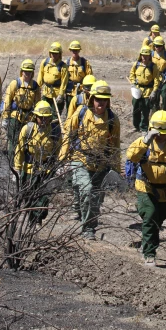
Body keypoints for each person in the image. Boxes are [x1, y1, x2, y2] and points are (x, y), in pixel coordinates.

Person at [126, 110, 166, 266]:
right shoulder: (143, 142)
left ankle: (147, 240)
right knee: (150, 214)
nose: (161, 135)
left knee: (160, 217)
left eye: (164, 132)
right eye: (158, 132)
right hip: (145, 187)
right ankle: (149, 253)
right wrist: (145, 142)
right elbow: (131, 156)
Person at [60, 81, 121, 240]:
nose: (100, 102)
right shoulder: (80, 113)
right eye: (97, 99)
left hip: (101, 164)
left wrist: (116, 170)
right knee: (86, 190)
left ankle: (87, 216)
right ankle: (88, 230)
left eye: (104, 99)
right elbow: (68, 135)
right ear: (92, 98)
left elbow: (115, 146)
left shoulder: (113, 120)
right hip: (80, 159)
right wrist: (62, 160)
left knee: (96, 198)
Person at [13, 100, 59, 226]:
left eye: (46, 118)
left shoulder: (54, 132)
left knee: (43, 198)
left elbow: (58, 152)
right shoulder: (27, 130)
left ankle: (38, 216)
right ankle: (32, 221)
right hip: (28, 170)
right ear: (36, 117)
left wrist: (58, 167)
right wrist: (17, 168)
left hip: (45, 171)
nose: (43, 121)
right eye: (41, 118)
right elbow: (20, 150)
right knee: (28, 197)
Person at [1, 59, 41, 163]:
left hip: (29, 118)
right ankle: (11, 164)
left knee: (26, 143)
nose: (27, 74)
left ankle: (22, 164)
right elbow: (7, 101)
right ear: (22, 71)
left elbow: (38, 105)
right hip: (15, 116)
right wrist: (5, 117)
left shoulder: (35, 86)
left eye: (29, 71)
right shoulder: (15, 83)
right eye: (25, 71)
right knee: (13, 141)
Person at [37, 42, 68, 139]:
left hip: (56, 96)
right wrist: (37, 89)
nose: (54, 55)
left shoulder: (63, 66)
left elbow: (64, 82)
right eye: (52, 53)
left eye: (56, 53)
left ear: (60, 54)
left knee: (54, 119)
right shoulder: (45, 62)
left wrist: (61, 95)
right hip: (46, 94)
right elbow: (40, 77)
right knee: (42, 115)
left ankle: (54, 138)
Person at [129, 48, 160, 132]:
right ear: (140, 55)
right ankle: (136, 126)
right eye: (143, 55)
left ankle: (144, 128)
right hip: (137, 91)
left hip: (148, 91)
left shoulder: (153, 67)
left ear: (149, 56)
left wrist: (154, 91)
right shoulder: (136, 65)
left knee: (145, 110)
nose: (144, 58)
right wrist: (132, 83)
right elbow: (131, 75)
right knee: (136, 108)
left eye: (146, 56)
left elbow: (156, 80)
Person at [65, 40, 93, 113]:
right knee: (70, 111)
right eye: (73, 50)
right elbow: (63, 78)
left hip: (81, 91)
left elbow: (90, 78)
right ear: (70, 50)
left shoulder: (85, 63)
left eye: (76, 50)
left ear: (79, 51)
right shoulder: (66, 63)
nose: (75, 52)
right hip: (70, 92)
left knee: (81, 111)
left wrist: (88, 91)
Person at [151, 37, 166, 112]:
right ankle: (155, 112)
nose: (157, 47)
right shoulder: (150, 55)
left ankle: (165, 110)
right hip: (154, 79)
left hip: (165, 79)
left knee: (164, 95)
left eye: (159, 46)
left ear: (163, 46)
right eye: (156, 45)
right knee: (155, 97)